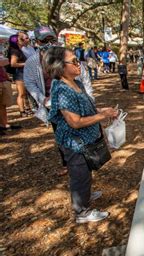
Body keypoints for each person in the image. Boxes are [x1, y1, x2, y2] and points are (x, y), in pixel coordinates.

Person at [43, 46, 118, 223]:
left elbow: (85, 109)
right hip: (73, 142)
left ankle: (86, 195)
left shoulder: (77, 83)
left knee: (86, 170)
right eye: (74, 61)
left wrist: (101, 111)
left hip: (85, 140)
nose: (79, 64)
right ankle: (81, 212)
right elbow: (74, 121)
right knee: (79, 175)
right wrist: (102, 116)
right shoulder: (62, 89)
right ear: (59, 66)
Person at [24, 26, 94, 177]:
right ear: (37, 42)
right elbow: (29, 82)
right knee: (64, 135)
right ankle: (71, 164)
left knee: (82, 132)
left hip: (77, 102)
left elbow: (85, 79)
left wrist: (89, 100)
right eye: (44, 40)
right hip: (52, 105)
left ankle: (84, 163)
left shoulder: (68, 57)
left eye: (52, 39)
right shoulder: (32, 62)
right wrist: (42, 99)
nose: (49, 43)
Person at [7, 34, 32, 117]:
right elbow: (13, 64)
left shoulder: (21, 49)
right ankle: (22, 111)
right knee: (21, 93)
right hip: (19, 74)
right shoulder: (15, 51)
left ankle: (27, 109)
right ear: (18, 41)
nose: (27, 40)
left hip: (23, 72)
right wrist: (27, 63)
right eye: (24, 39)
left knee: (24, 93)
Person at [0, 55, 21, 135]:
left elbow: (6, 62)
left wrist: (7, 78)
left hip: (3, 81)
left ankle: (4, 124)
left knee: (3, 105)